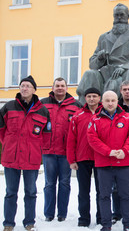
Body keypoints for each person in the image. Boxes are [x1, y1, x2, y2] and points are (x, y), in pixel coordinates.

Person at [0, 75, 51, 231]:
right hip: (11, 157)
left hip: (31, 158)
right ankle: (8, 223)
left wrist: (37, 148)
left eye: (28, 86)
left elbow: (46, 135)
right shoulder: (9, 107)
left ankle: (29, 222)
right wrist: (8, 144)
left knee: (31, 192)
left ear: (34, 90)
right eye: (22, 86)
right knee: (11, 192)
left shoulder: (43, 110)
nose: (24, 88)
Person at [87, 91, 129, 231]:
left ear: (117, 101)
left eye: (113, 100)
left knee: (126, 195)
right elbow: (92, 139)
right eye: (107, 100)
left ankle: (127, 224)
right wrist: (108, 152)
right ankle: (106, 225)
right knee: (104, 196)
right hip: (103, 164)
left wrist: (125, 150)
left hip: (124, 164)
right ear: (102, 102)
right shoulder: (95, 119)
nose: (110, 103)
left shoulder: (127, 117)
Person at [77, 3, 129, 105]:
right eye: (116, 15)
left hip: (126, 73)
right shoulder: (104, 37)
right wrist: (100, 58)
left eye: (122, 15)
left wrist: (124, 67)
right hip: (107, 74)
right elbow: (92, 64)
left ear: (128, 16)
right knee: (90, 74)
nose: (119, 18)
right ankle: (86, 111)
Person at [41, 77, 82, 222]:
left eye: (62, 86)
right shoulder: (42, 104)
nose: (60, 88)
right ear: (53, 88)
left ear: (66, 88)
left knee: (65, 183)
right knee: (49, 184)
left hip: (66, 152)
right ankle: (49, 214)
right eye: (57, 85)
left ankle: (62, 214)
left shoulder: (76, 105)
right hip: (49, 151)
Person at [66, 87, 103, 227]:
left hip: (101, 158)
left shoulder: (105, 113)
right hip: (83, 158)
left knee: (102, 191)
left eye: (94, 96)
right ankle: (84, 219)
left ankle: (101, 217)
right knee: (83, 191)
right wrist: (71, 159)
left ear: (99, 98)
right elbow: (71, 139)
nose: (92, 99)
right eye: (89, 96)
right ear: (85, 98)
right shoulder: (77, 115)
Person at [112, 80, 129, 223]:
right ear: (121, 91)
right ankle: (117, 213)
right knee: (116, 186)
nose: (127, 91)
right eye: (124, 89)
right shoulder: (115, 107)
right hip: (117, 152)